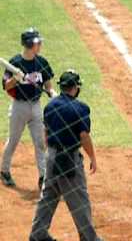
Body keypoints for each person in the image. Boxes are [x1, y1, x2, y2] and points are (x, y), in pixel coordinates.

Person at [30, 70, 102, 241]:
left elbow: (46, 133)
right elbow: (84, 136)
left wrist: (52, 153)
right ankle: (89, 238)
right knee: (79, 200)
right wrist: (92, 157)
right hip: (69, 159)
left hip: (51, 157)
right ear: (76, 87)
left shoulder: (50, 107)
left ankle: (38, 234)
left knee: (48, 196)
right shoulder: (81, 108)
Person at [1, 28, 55, 190]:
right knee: (14, 140)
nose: (40, 44)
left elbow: (48, 85)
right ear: (30, 44)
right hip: (19, 107)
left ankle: (43, 177)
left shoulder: (42, 62)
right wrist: (16, 79)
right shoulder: (15, 63)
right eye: (38, 42)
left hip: (36, 106)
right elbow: (5, 86)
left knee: (40, 142)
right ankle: (4, 170)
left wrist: (53, 93)